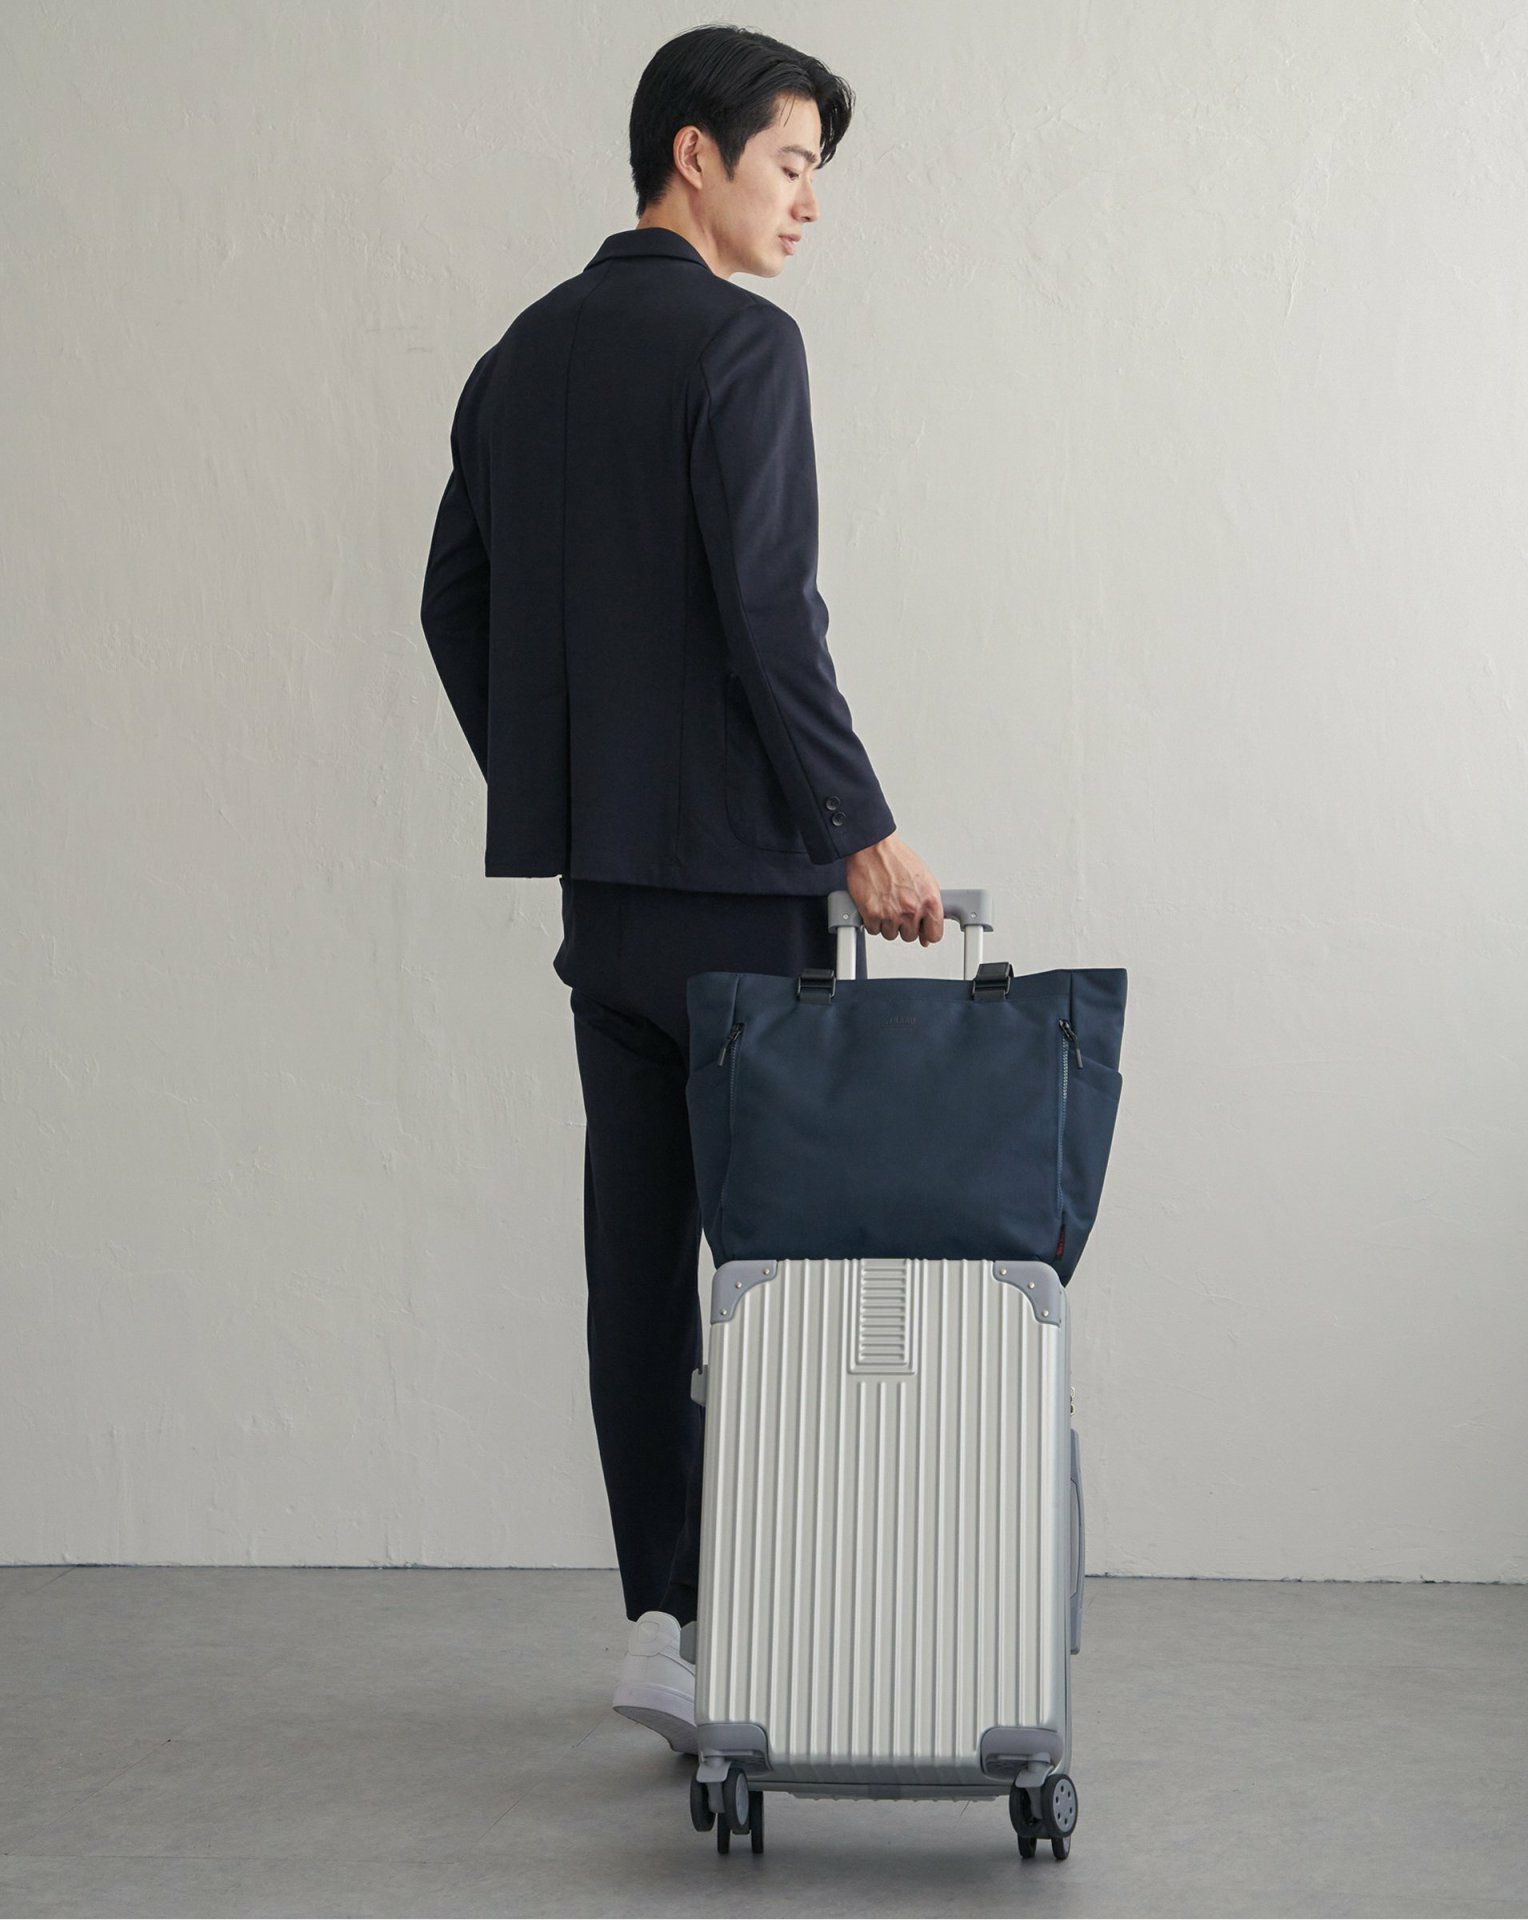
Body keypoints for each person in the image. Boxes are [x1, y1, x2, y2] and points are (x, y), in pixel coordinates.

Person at [419, 24, 943, 1755]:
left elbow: (451, 603)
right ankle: (785, 1625)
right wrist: (860, 827)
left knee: (637, 1269)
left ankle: (669, 1621)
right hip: (746, 900)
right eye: (792, 163)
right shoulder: (741, 346)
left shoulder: (518, 357)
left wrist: (565, 780)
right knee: (781, 1265)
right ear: (694, 156)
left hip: (610, 905)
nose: (809, 204)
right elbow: (772, 616)